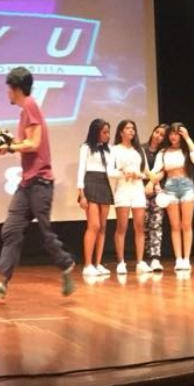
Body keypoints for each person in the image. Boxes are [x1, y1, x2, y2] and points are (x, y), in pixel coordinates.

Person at [0, 67, 75, 298]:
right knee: (11, 229)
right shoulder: (24, 112)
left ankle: (66, 264)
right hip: (27, 183)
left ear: (17, 89)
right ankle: (4, 280)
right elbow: (25, 142)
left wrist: (10, 146)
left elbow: (34, 143)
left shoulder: (30, 105)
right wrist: (6, 146)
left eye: (9, 88)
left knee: (45, 233)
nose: (7, 93)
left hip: (40, 182)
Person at [158, 123, 194, 273]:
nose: (173, 136)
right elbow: (156, 171)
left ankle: (186, 259)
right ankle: (178, 259)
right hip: (170, 186)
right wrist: (155, 185)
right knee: (175, 225)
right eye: (171, 133)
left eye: (177, 133)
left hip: (187, 185)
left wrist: (188, 138)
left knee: (186, 224)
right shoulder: (163, 152)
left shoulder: (187, 150)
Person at [109, 120, 150, 278]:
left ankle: (140, 262)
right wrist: (123, 173)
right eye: (127, 128)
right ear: (121, 132)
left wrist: (138, 174)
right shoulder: (115, 149)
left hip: (137, 189)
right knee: (122, 226)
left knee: (139, 226)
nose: (131, 131)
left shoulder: (139, 150)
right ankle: (121, 262)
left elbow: (146, 172)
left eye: (133, 128)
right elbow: (110, 171)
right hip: (123, 189)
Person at [76, 119, 114, 280]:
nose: (107, 135)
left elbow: (112, 170)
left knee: (103, 226)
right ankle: (88, 265)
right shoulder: (86, 147)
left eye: (108, 132)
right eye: (104, 132)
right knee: (94, 225)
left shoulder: (109, 150)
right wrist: (81, 193)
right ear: (96, 132)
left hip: (104, 183)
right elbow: (81, 169)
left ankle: (98, 263)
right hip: (90, 182)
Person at [140, 123, 170, 272]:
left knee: (156, 224)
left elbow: (164, 171)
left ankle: (155, 258)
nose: (158, 136)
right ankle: (145, 257)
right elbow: (140, 168)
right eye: (157, 132)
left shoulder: (164, 152)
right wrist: (147, 184)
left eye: (162, 135)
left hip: (158, 190)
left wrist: (152, 183)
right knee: (143, 225)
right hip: (141, 190)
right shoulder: (141, 149)